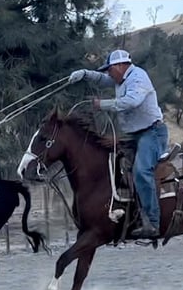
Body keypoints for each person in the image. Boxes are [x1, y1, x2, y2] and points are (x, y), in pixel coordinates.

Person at [68, 49, 169, 239]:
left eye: (110, 70)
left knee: (142, 171)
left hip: (152, 133)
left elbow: (132, 101)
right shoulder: (121, 78)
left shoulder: (138, 77)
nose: (108, 74)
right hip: (135, 134)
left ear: (119, 66)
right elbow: (102, 79)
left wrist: (102, 105)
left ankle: (153, 222)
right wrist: (84, 74)